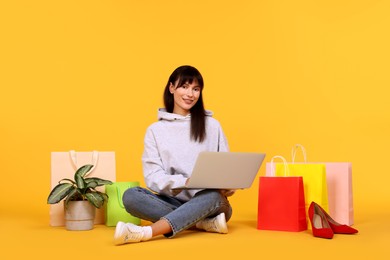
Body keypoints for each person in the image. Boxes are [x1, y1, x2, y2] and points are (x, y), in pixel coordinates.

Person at [114, 65, 234, 245]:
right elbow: (153, 177)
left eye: (196, 89)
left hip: (211, 204)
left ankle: (146, 232)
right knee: (131, 196)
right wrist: (184, 182)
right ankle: (200, 223)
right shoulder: (155, 131)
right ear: (172, 88)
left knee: (213, 196)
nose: (190, 94)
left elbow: (226, 167)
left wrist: (228, 185)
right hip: (173, 201)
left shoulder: (212, 125)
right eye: (184, 87)